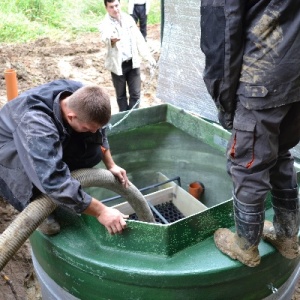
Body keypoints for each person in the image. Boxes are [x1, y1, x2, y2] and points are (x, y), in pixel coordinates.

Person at [200, 1, 300, 267]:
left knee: (247, 165)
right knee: (280, 152)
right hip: (296, 77)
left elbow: (220, 38)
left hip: (263, 77)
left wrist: (225, 103)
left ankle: (245, 246)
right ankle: (287, 237)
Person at [0, 79, 130, 236]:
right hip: (10, 151)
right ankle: (38, 204)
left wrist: (111, 164)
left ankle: (69, 192)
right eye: (87, 128)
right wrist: (101, 211)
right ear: (71, 117)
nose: (94, 132)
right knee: (41, 184)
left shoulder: (81, 94)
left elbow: (98, 130)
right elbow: (53, 181)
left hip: (44, 137)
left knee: (93, 152)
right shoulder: (35, 125)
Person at [99, 0, 156, 112]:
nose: (115, 9)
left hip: (133, 63)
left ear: (120, 5)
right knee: (121, 95)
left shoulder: (129, 19)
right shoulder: (104, 24)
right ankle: (124, 118)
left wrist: (148, 57)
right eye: (111, 7)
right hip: (118, 65)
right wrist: (111, 39)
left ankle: (132, 117)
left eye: (116, 5)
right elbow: (105, 36)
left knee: (135, 94)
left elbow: (139, 39)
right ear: (106, 8)